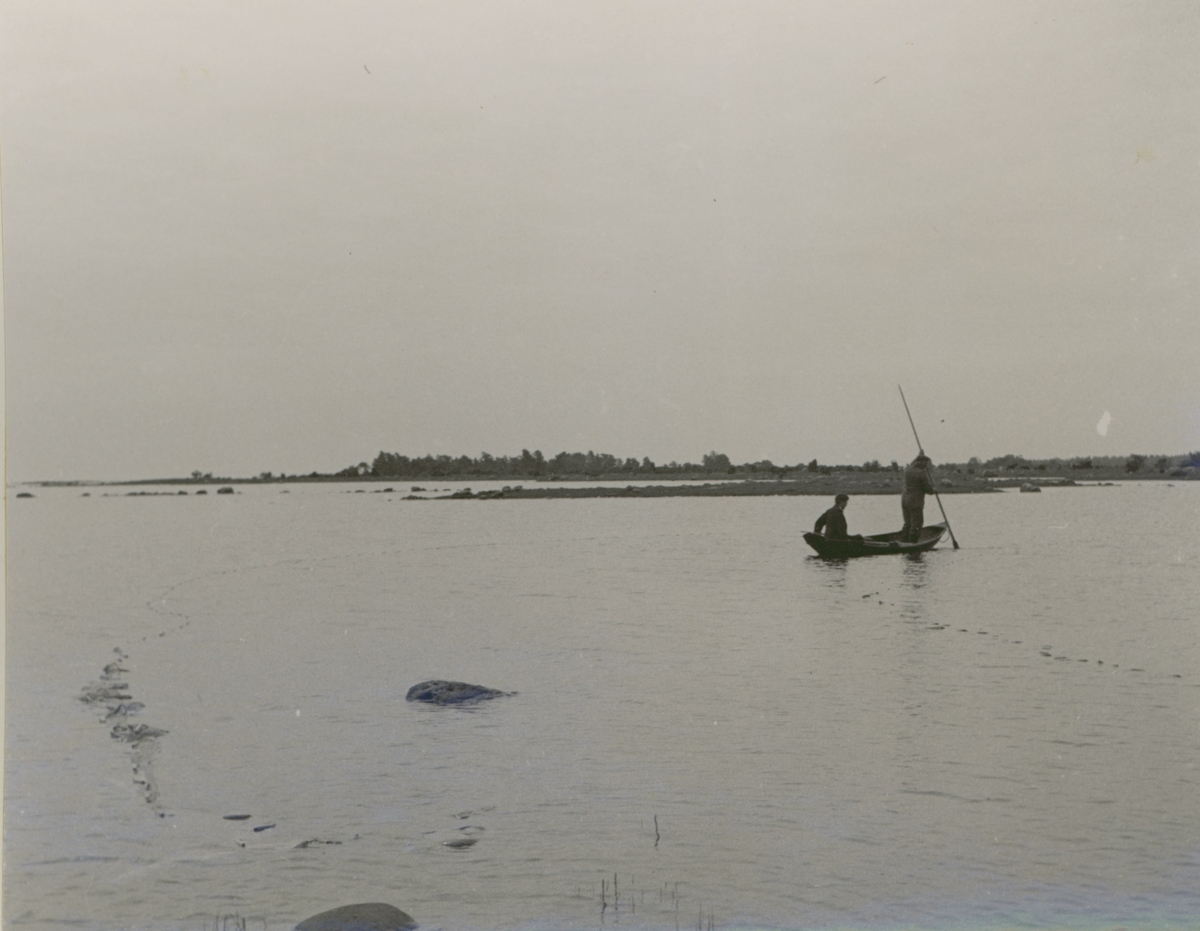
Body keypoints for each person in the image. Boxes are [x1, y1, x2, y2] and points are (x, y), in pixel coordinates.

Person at [901, 452, 936, 542]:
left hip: (905, 500)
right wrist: (934, 490)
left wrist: (920, 454)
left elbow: (913, 462)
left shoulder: (907, 469)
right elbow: (928, 489)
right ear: (920, 462)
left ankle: (904, 541)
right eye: (925, 463)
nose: (926, 465)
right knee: (917, 523)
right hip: (915, 501)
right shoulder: (921, 473)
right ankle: (913, 543)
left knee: (908, 523)